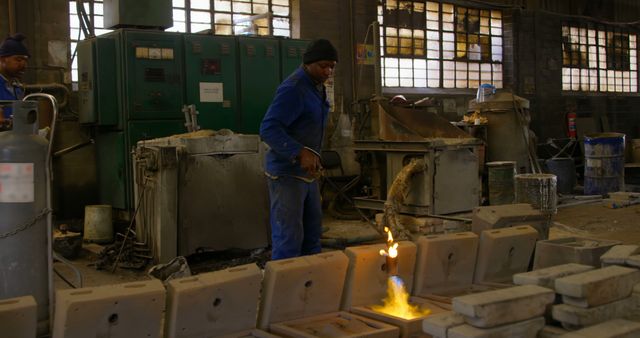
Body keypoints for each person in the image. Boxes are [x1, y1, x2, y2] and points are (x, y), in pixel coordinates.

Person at [259, 38, 338, 260]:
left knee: (312, 236)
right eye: (323, 66)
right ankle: (285, 288)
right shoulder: (294, 88)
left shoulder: (317, 87)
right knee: (289, 238)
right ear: (308, 63)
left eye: (332, 66)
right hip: (286, 174)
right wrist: (299, 152)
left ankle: (311, 285)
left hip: (307, 176)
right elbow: (268, 128)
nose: (328, 71)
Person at [0, 33, 29, 130]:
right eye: (18, 59)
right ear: (3, 60)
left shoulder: (17, 88)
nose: (24, 65)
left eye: (25, 61)